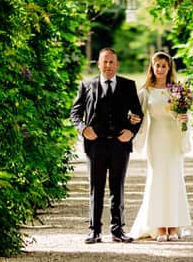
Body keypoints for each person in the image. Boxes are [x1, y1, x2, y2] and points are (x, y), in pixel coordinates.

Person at [69, 47, 144, 243]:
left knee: (117, 187)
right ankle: (94, 230)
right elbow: (75, 113)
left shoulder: (128, 85)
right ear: (99, 64)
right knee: (96, 187)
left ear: (117, 64)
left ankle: (117, 229)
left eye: (112, 62)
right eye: (105, 62)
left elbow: (138, 114)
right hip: (95, 145)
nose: (108, 65)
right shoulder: (87, 85)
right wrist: (83, 128)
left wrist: (131, 131)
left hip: (120, 144)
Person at [129, 51, 192, 241]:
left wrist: (184, 118)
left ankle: (173, 225)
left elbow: (186, 116)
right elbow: (137, 117)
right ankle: (158, 226)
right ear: (152, 67)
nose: (161, 69)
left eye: (164, 66)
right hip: (156, 139)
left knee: (173, 179)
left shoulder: (177, 91)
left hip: (173, 138)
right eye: (157, 65)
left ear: (169, 68)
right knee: (157, 179)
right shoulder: (146, 91)